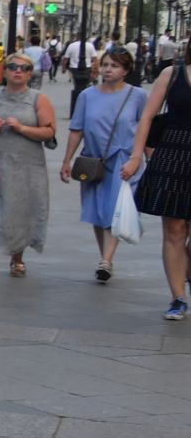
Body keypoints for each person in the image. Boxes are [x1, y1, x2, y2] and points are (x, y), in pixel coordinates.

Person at [60, 48, 146, 282]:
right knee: (97, 211)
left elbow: (145, 130)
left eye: (115, 65)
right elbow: (76, 129)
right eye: (106, 64)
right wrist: (67, 159)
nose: (108, 69)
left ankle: (106, 260)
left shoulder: (137, 96)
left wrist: (147, 159)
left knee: (113, 209)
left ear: (126, 70)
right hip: (93, 160)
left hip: (123, 160)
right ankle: (105, 258)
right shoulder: (87, 95)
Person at [129, 47, 191, 319]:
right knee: (175, 229)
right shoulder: (172, 73)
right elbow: (147, 117)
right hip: (174, 155)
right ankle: (178, 297)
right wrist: (135, 157)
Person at [0, 53, 56, 278]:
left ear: (29, 74)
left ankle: (17, 257)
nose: (18, 71)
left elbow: (49, 132)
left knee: (21, 210)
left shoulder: (38, 98)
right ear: (4, 71)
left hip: (26, 165)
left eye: (24, 68)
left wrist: (22, 128)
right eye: (12, 67)